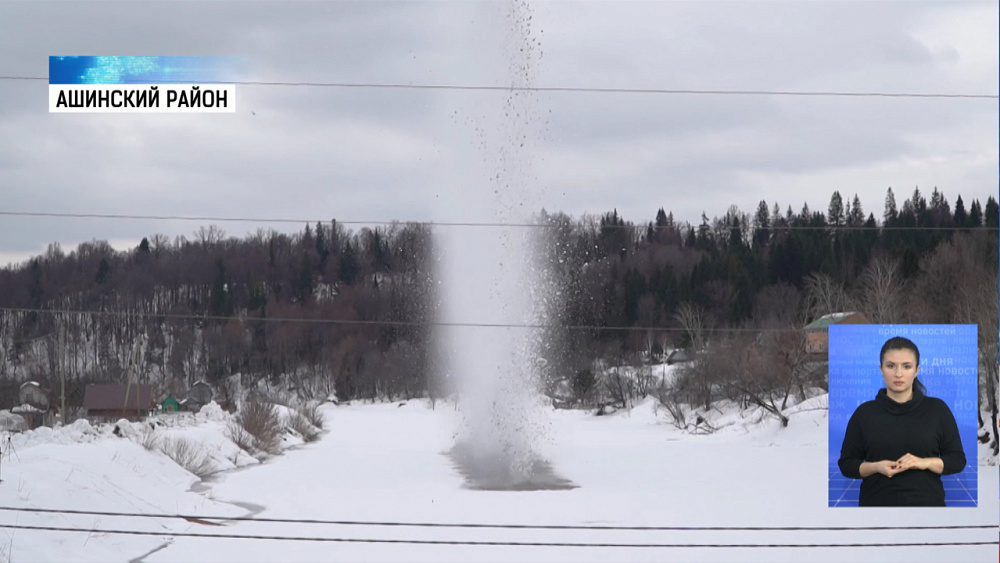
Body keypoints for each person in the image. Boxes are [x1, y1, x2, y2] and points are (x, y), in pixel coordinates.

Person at [837, 336, 966, 506]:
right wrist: (876, 467)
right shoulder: (864, 413)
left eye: (906, 366)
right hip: (875, 511)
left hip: (929, 511)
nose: (898, 374)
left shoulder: (938, 409)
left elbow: (957, 460)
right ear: (881, 369)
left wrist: (923, 463)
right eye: (891, 366)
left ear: (916, 370)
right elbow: (846, 464)